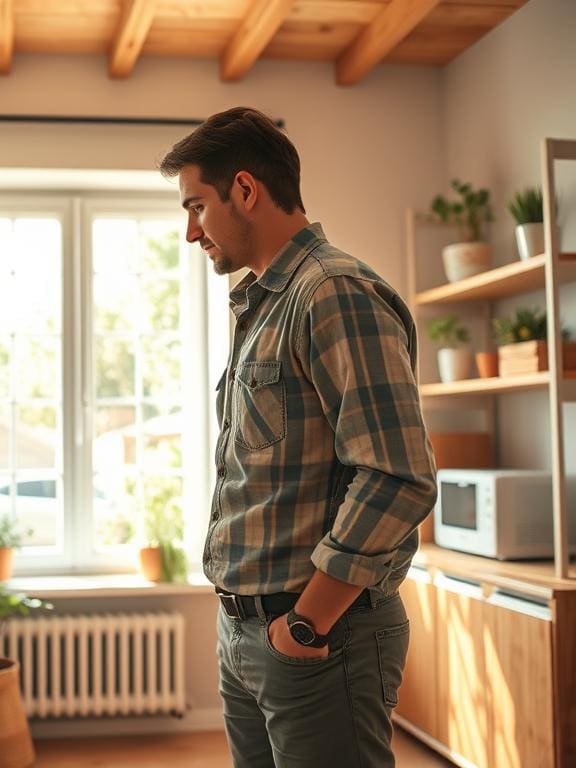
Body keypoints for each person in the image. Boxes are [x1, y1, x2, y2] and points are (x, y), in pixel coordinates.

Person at [158, 107, 437, 767]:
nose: (190, 231)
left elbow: (397, 475)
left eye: (197, 206)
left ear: (246, 191)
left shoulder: (332, 292)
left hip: (316, 640)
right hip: (250, 634)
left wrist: (305, 623)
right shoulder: (264, 305)